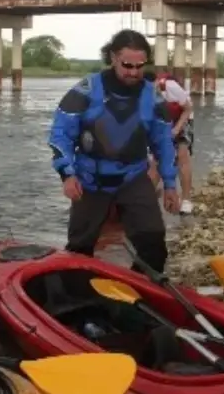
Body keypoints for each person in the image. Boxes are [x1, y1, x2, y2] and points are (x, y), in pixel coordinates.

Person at [48, 29, 180, 274]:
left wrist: (170, 184)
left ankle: (140, 292)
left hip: (133, 178)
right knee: (79, 248)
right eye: (127, 65)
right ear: (112, 58)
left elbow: (163, 142)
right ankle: (76, 294)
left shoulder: (153, 96)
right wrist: (67, 174)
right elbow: (60, 135)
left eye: (140, 66)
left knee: (153, 243)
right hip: (90, 180)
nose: (133, 72)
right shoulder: (85, 90)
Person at [156, 72, 195, 214]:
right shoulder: (141, 95)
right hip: (163, 121)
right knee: (154, 160)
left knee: (182, 155)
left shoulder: (170, 86)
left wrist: (177, 128)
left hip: (182, 117)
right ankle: (147, 199)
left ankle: (186, 200)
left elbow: (188, 108)